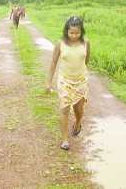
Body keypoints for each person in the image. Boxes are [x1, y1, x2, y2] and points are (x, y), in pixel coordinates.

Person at [46, 17, 90, 150]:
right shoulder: (60, 43)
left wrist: (79, 74)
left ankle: (77, 122)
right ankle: (65, 139)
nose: (74, 35)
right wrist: (49, 82)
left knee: (78, 109)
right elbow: (54, 62)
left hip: (81, 81)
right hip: (64, 81)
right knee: (64, 109)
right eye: (71, 33)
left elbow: (86, 61)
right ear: (66, 31)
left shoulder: (86, 43)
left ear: (81, 32)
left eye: (77, 33)